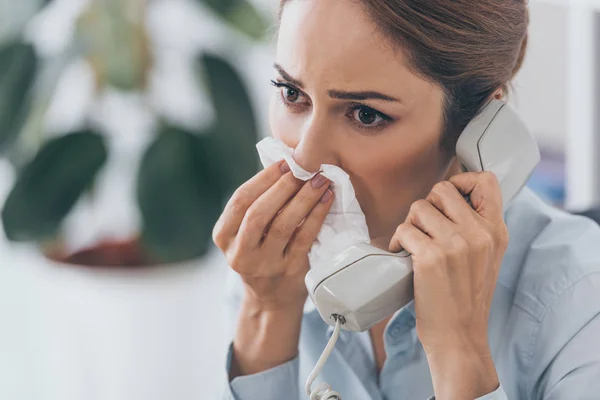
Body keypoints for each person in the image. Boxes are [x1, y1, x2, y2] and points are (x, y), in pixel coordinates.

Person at [212, 0, 600, 399]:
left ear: (479, 125)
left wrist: (460, 353)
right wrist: (268, 313)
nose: (305, 159)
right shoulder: (266, 268)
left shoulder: (581, 304)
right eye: (292, 93)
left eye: (365, 115)